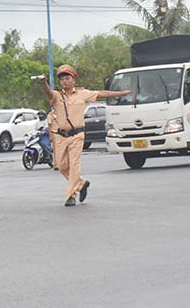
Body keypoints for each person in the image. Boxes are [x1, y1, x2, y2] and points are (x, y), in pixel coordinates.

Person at [38, 64, 131, 206]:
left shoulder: (82, 94)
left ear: (74, 79)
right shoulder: (57, 96)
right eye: (62, 79)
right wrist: (43, 83)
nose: (64, 81)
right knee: (62, 166)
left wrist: (120, 93)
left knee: (74, 165)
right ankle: (81, 184)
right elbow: (48, 93)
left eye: (67, 78)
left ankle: (71, 196)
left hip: (77, 135)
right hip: (61, 136)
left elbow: (101, 94)